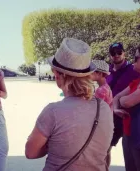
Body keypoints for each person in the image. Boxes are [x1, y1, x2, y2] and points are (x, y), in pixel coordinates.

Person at [25, 38, 114, 171]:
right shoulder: (103, 108)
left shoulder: (53, 112)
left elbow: (30, 152)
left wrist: (50, 143)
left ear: (58, 74)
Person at [106, 42, 140, 165]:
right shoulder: (107, 71)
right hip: (109, 116)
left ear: (124, 53)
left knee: (132, 152)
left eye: (119, 52)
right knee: (105, 149)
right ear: (110, 55)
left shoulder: (134, 70)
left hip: (128, 115)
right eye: (113, 53)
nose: (116, 55)